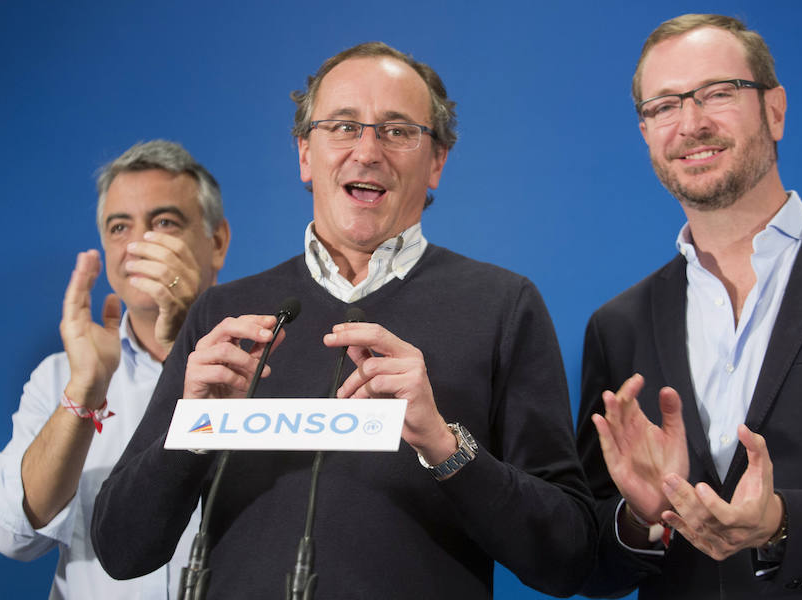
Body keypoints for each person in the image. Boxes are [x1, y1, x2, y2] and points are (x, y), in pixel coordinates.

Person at [90, 42, 597, 599]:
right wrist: (189, 433)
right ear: (305, 153)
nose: (368, 150)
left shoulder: (505, 307)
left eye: (398, 130)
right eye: (343, 127)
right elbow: (121, 550)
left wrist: (445, 447)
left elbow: (566, 554)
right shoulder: (221, 314)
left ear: (437, 162)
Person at [575, 13, 802, 599]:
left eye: (717, 93)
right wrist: (640, 521)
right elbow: (590, 563)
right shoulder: (617, 327)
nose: (691, 123)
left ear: (775, 109)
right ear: (646, 134)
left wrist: (785, 522)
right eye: (664, 106)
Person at [0, 140, 231, 599]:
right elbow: (12, 537)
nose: (138, 244)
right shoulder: (60, 377)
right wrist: (84, 392)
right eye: (120, 227)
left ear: (216, 242)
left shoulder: (266, 367)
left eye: (164, 223)